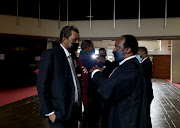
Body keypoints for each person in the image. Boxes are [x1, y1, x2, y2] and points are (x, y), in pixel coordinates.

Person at [90, 35, 148, 128]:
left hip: (125, 120)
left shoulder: (130, 68)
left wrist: (96, 73)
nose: (114, 50)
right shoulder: (127, 65)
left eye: (117, 47)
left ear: (128, 49)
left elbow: (110, 88)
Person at [36, 25, 83, 128]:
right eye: (74, 40)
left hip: (73, 110)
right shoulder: (51, 54)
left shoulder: (71, 56)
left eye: (78, 40)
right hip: (59, 112)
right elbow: (42, 84)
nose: (77, 43)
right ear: (64, 39)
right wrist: (50, 113)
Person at [79, 40, 102, 128]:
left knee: (86, 109)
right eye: (92, 47)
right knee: (92, 111)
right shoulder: (88, 57)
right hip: (91, 87)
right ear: (88, 47)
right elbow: (95, 71)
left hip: (84, 87)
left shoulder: (80, 56)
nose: (93, 49)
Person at [137, 46, 154, 128]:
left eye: (138, 53)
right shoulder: (144, 62)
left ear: (143, 53)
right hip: (146, 91)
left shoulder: (146, 63)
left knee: (146, 113)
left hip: (146, 92)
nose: (137, 55)